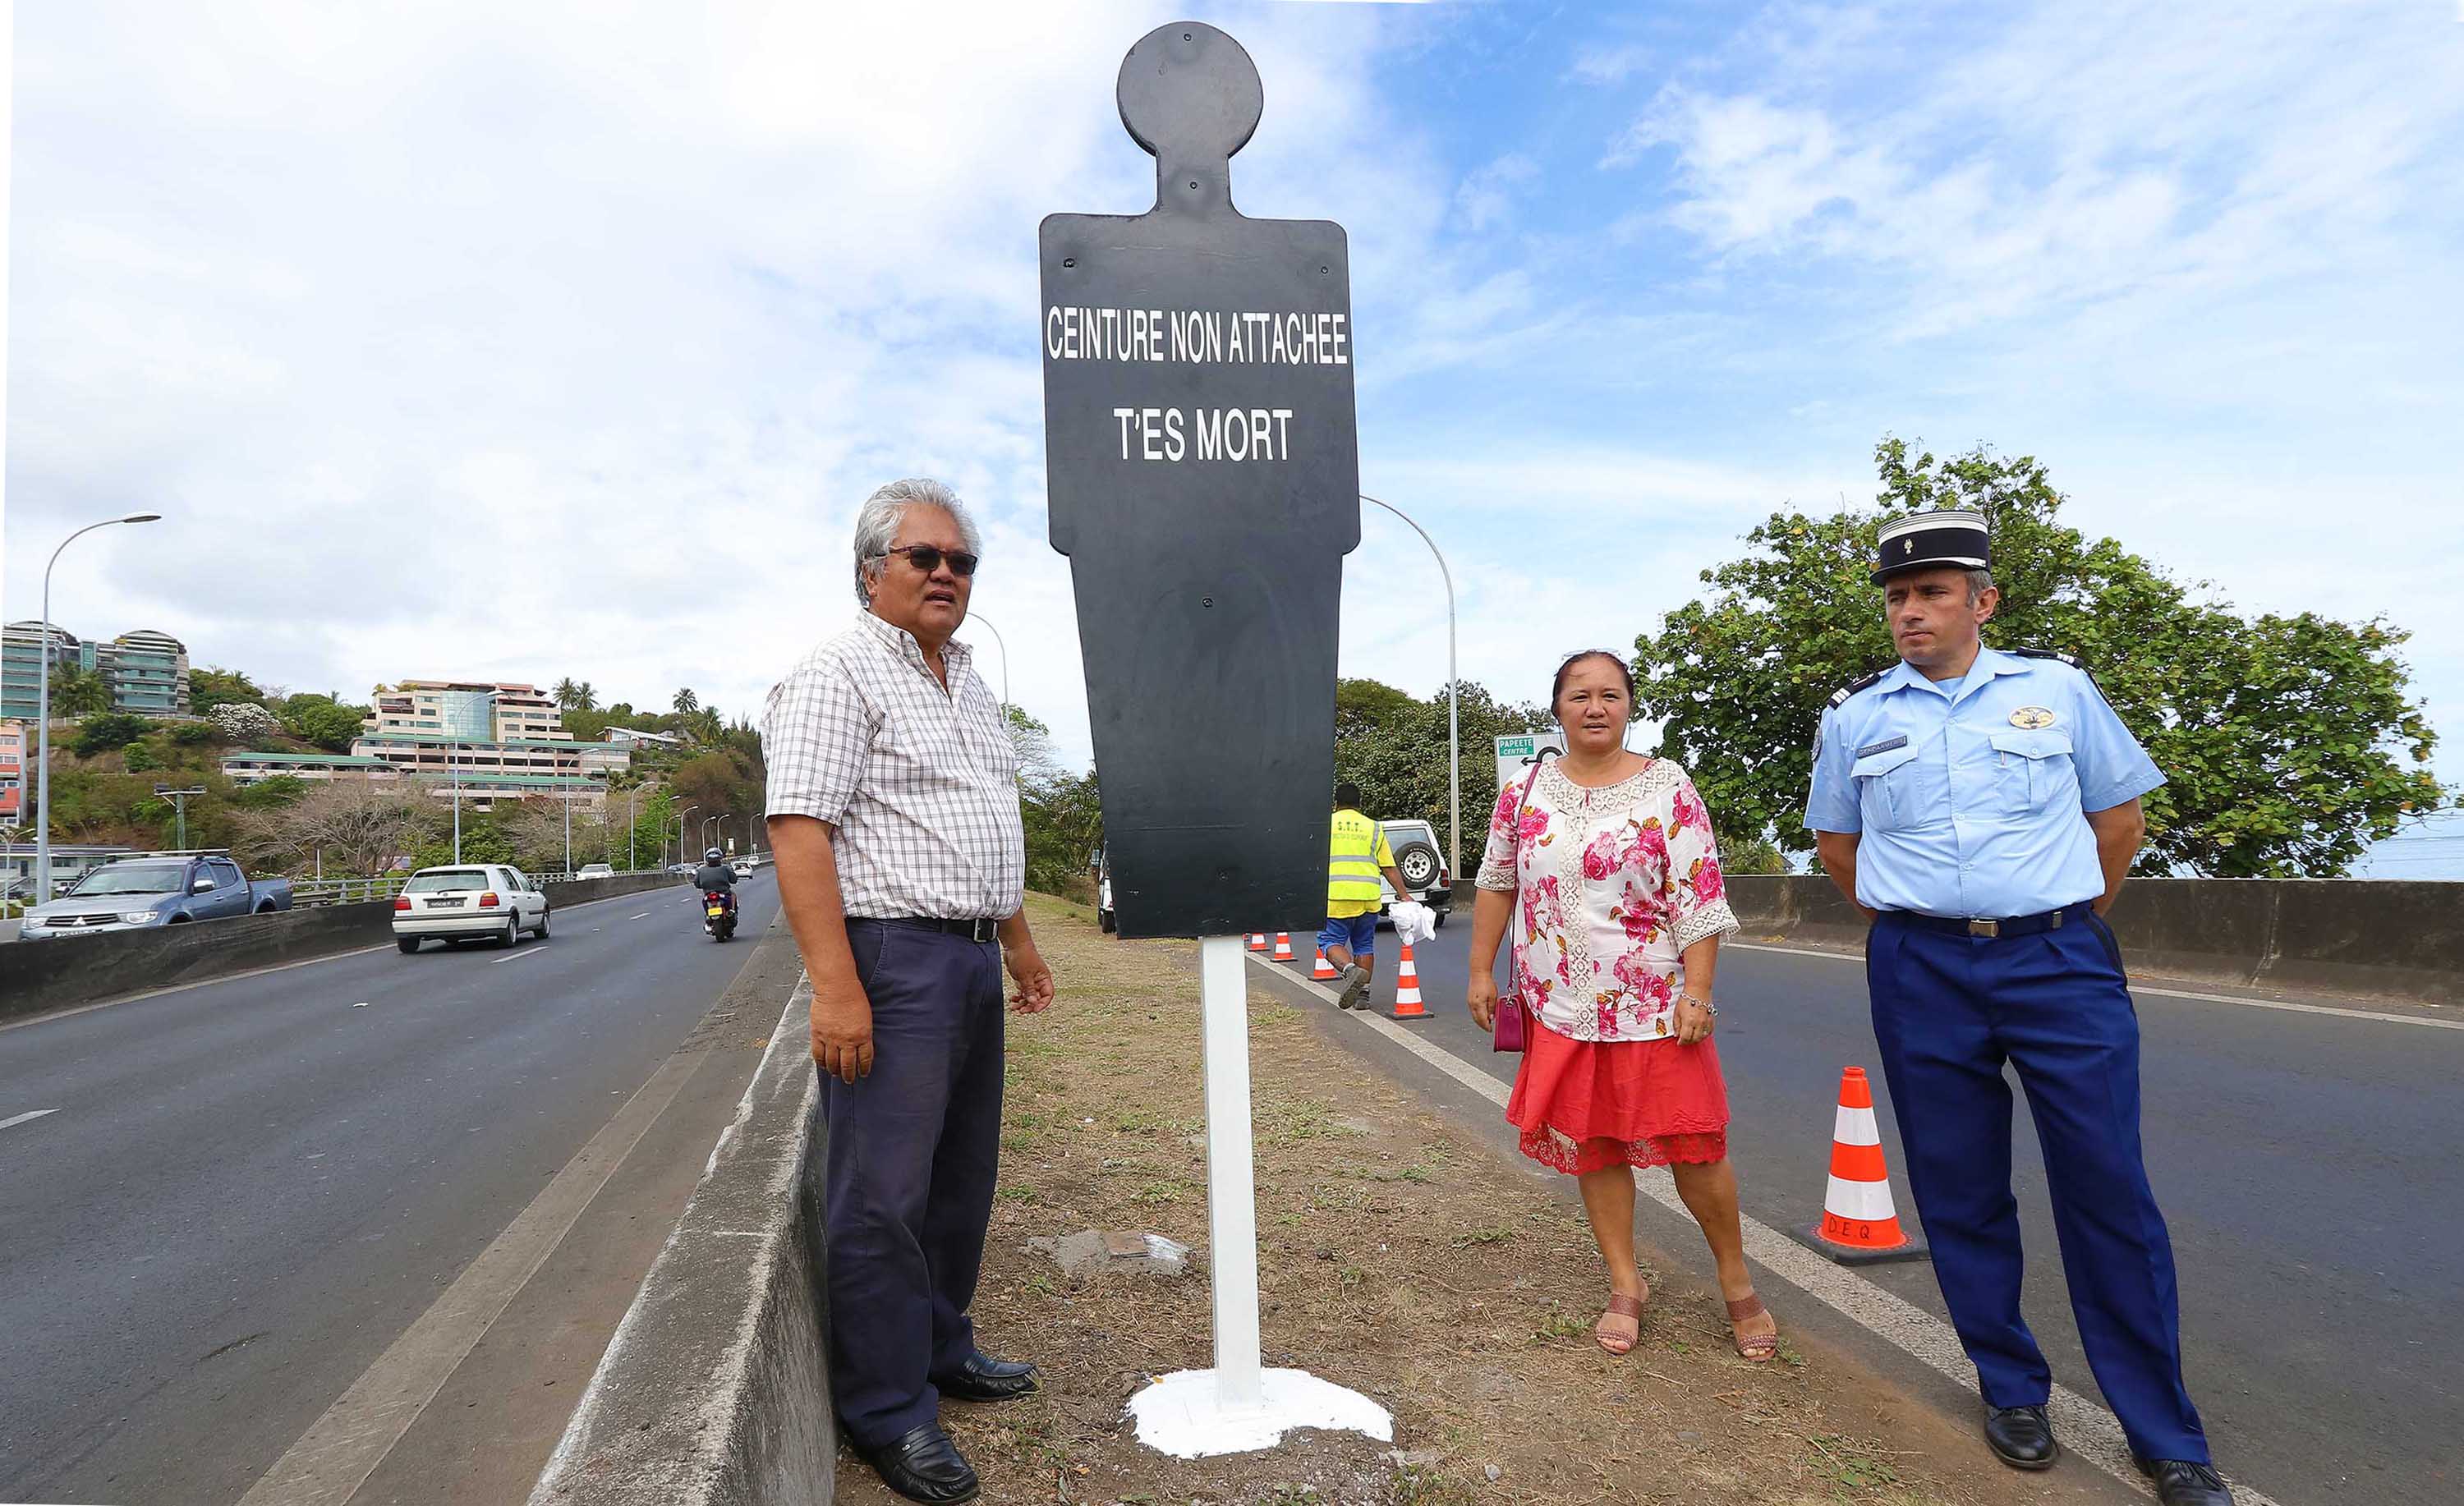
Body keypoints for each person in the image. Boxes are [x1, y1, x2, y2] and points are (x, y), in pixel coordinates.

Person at [1804, 509, 2230, 1506]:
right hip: (1921, 968)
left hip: (2059, 961)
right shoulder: (1858, 716)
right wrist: (1930, 927)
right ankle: (2010, 1386)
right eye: (1899, 596)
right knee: (1959, 1189)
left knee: (2108, 1189)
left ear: (1983, 601)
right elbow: (1840, 849)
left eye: (1933, 592)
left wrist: (2056, 922)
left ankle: (2165, 1434)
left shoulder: (2059, 691)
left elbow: (2118, 822)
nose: (1911, 610)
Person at [763, 477, 1058, 1506]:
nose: (945, 573)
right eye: (923, 557)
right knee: (881, 1195)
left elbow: (984, 821)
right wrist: (836, 985)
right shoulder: (836, 673)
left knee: (958, 1179)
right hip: (892, 958)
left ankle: (942, 1349)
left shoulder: (968, 680)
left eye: (961, 560)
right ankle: (888, 1407)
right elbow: (799, 828)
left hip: (970, 956)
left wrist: (1016, 942)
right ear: (870, 571)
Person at [1465, 650, 1778, 1362]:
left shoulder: (1667, 787)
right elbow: (1497, 881)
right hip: (1561, 1005)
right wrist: (1482, 969)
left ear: (1630, 705)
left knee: (1695, 1148)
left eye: (1610, 694)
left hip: (1655, 1006)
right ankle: (1625, 1282)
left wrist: (1698, 991)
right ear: (1558, 709)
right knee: (1595, 1146)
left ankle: (1735, 1279)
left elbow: (1698, 896)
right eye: (1580, 696)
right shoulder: (1524, 791)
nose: (1595, 707)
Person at [1321, 783, 1420, 1010]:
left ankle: (1350, 971)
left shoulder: (1326, 825)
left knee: (1329, 941)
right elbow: (1388, 866)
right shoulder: (1373, 828)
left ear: (1335, 803)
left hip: (1336, 896)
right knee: (1364, 944)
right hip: (1368, 897)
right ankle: (1363, 995)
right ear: (1360, 804)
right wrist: (1404, 895)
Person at [692, 847, 738, 917]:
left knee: (704, 901)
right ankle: (731, 910)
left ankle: (708, 916)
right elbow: (734, 880)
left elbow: (696, 884)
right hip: (724, 893)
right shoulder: (725, 868)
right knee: (733, 895)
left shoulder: (701, 870)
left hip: (708, 894)